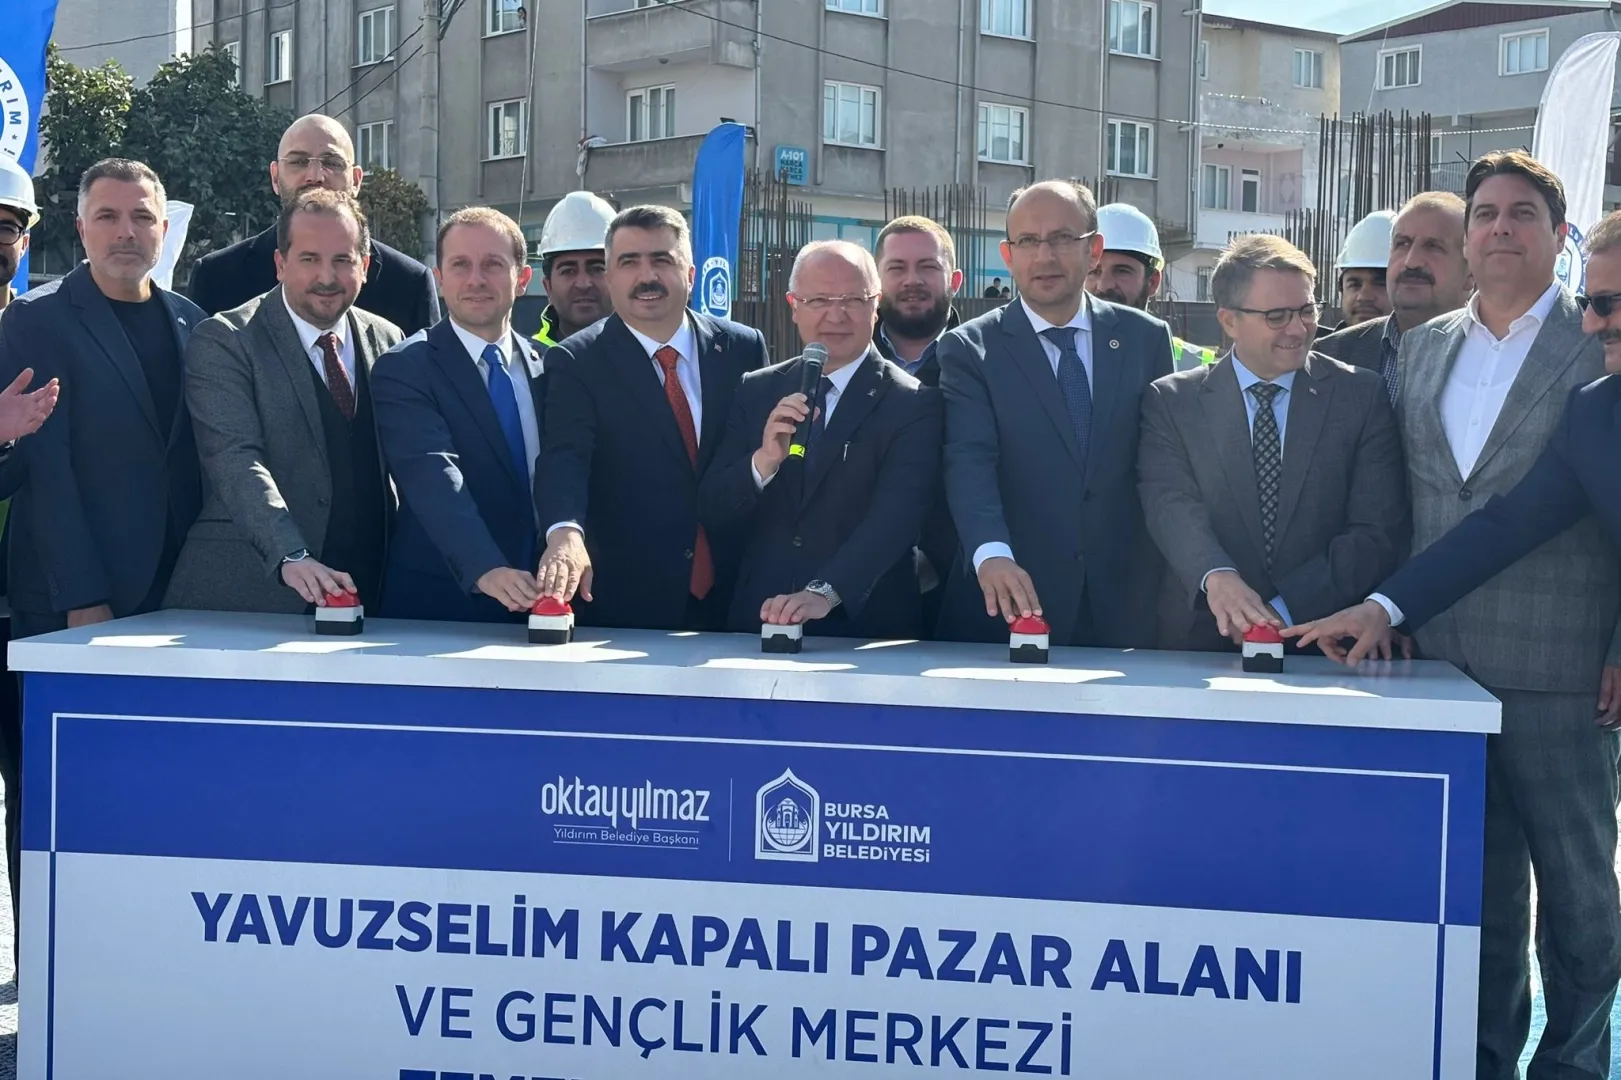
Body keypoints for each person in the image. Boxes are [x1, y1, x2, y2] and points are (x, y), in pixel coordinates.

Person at [1288, 154, 1621, 1080]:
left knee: (1580, 902)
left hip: (1563, 667)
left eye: (1522, 213)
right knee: (1475, 903)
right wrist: (1385, 608)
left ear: (1558, 236)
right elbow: (1467, 514)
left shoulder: (1591, 347)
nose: (1499, 228)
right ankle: (1481, 1060)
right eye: (1483, 214)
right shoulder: (1422, 347)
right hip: (1436, 665)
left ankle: (1572, 1065)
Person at [1136, 234, 1407, 652]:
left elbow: (1374, 529)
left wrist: (1281, 612)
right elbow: (1170, 507)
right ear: (1229, 321)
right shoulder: (1173, 401)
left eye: (1306, 310)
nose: (1298, 329)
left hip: (1320, 640)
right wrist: (1217, 578)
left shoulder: (1359, 396)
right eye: (1277, 316)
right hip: (1201, 640)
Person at [936, 179, 1173, 647]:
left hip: (1123, 610)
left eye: (1062, 238)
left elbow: (1163, 468)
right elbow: (968, 460)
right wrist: (991, 553)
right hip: (1010, 605)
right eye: (1028, 241)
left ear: (1093, 250)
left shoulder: (1145, 339)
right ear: (1008, 255)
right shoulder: (969, 349)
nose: (1044, 256)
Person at [164, 189, 403, 615]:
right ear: (280, 264)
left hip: (370, 594)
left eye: (343, 260)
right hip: (250, 600)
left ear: (364, 267)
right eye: (309, 259)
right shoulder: (227, 340)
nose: (326, 277)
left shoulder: (388, 339)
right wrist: (290, 555)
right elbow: (235, 459)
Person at [533, 205, 768, 632]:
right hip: (631, 605)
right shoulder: (576, 361)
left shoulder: (742, 349)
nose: (647, 277)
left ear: (690, 274)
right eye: (629, 262)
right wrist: (565, 532)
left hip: (740, 597)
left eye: (662, 260)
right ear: (610, 277)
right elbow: (565, 459)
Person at [0, 158, 204, 638]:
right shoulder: (36, 320)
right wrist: (82, 597)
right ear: (81, 229)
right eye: (107, 216)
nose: (126, 232)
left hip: (181, 593)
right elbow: (48, 469)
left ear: (163, 229)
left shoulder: (194, 322)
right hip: (77, 604)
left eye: (142, 217)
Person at [699, 241, 942, 640]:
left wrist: (825, 593)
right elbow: (713, 507)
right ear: (793, 306)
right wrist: (763, 462)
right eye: (819, 300)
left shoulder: (912, 402)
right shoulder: (757, 389)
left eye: (853, 299)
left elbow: (896, 521)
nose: (836, 314)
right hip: (760, 620)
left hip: (865, 631)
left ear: (876, 304)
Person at [371, 208, 546, 623]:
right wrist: (485, 567)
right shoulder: (406, 368)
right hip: (442, 605)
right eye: (460, 265)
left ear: (523, 279)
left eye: (493, 265)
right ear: (439, 278)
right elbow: (432, 475)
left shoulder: (550, 366)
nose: (475, 280)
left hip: (543, 601)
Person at [188, 114, 440, 335]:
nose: (315, 176)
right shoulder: (217, 278)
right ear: (275, 177)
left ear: (356, 180)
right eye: (298, 162)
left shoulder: (409, 283)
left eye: (332, 163)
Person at [872, 215, 961, 633]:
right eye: (897, 268)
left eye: (928, 266)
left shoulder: (989, 363)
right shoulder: (836, 363)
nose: (912, 280)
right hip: (855, 597)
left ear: (955, 280)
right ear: (875, 281)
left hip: (963, 597)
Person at [1316, 192, 1472, 404]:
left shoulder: (1495, 359)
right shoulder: (1331, 354)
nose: (1411, 261)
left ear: (1470, 275)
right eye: (1402, 243)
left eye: (1433, 246)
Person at [1088, 202, 1217, 371]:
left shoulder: (1196, 367)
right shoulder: (1062, 355)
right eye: (1094, 271)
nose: (1104, 285)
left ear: (1153, 282)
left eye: (1121, 271)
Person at [531, 190, 617, 352]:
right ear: (548, 287)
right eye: (568, 271)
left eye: (597, 269)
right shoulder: (527, 362)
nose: (583, 284)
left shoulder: (650, 354)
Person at [1319, 209, 1394, 336]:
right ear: (1341, 290)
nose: (1364, 296)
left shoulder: (1425, 347)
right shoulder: (1321, 347)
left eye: (1380, 283)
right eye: (1354, 284)